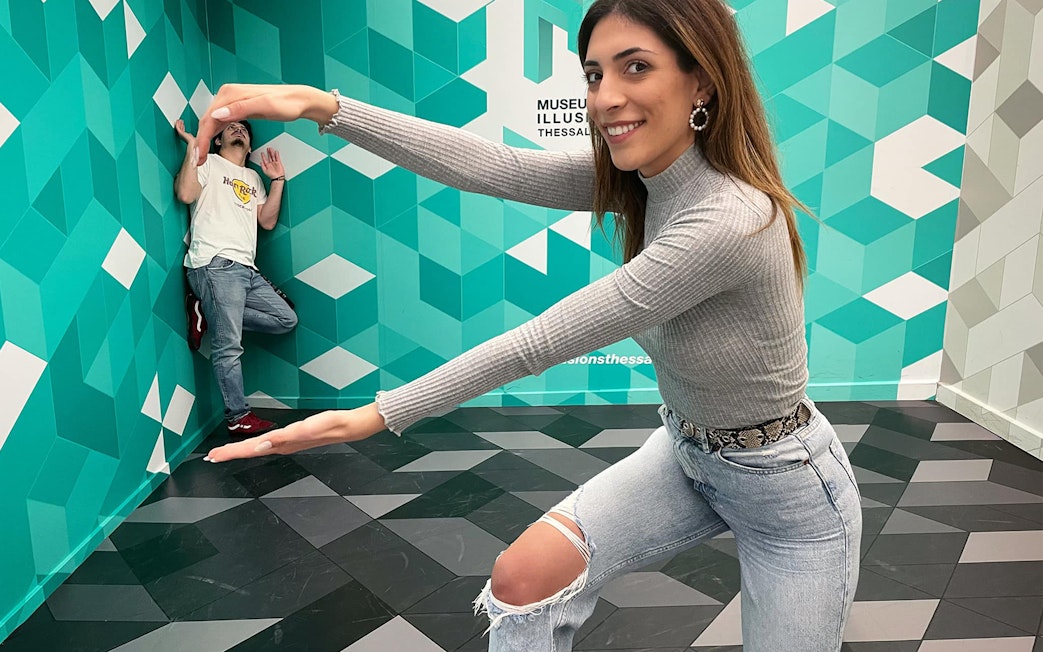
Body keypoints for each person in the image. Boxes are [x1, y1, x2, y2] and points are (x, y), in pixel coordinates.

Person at [198, 0, 863, 649]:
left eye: (635, 68)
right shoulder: (643, 179)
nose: (603, 97)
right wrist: (328, 108)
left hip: (786, 492)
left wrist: (374, 414)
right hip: (685, 453)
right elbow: (497, 168)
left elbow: (540, 342)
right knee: (523, 579)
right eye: (594, 73)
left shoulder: (727, 220)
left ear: (701, 82)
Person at [174, 117, 298, 437]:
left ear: (249, 145)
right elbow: (186, 194)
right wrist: (192, 148)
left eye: (244, 128)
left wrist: (278, 180)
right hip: (215, 264)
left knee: (285, 319)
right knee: (229, 345)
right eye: (231, 127)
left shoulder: (253, 177)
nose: (238, 129)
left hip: (248, 270)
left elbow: (266, 221)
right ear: (218, 141)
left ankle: (204, 309)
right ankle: (237, 416)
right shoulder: (209, 163)